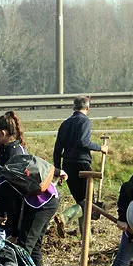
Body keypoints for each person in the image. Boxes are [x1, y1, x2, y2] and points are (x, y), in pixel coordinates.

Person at [53, 96, 110, 232]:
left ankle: (85, 235)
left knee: (82, 201)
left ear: (74, 106)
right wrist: (100, 148)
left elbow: (57, 149)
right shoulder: (85, 121)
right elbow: (83, 142)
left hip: (67, 165)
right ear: (87, 108)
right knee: (88, 202)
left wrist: (58, 170)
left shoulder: (65, 123)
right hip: (82, 165)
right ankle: (65, 217)